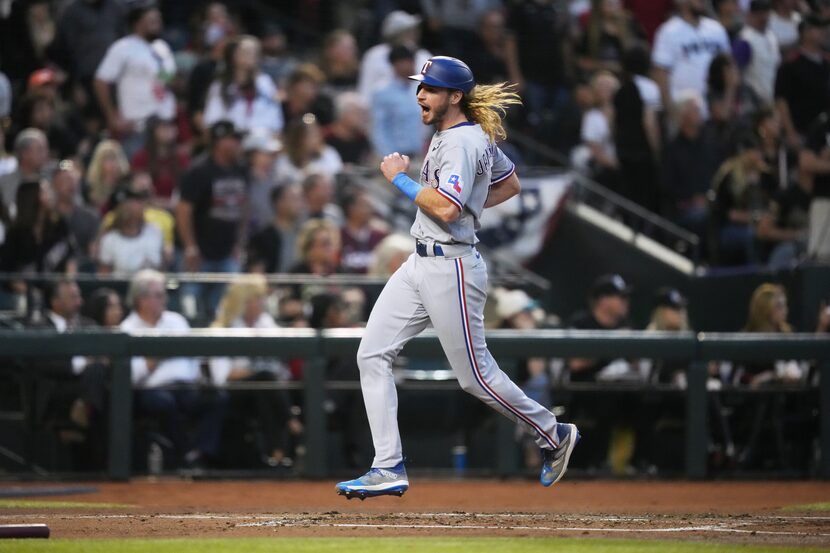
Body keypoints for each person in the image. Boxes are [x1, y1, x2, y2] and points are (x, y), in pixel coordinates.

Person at [335, 56, 579, 500]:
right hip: (419, 261)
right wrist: (469, 203)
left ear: (454, 96)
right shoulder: (461, 135)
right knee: (371, 354)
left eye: (429, 88)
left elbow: (448, 208)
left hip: (452, 266)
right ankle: (387, 465)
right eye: (420, 87)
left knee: (475, 377)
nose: (420, 95)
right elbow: (507, 184)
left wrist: (400, 179)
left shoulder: (463, 143)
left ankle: (553, 431)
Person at [120, 269, 227, 469]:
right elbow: (131, 375)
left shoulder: (176, 320)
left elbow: (194, 358)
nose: (165, 299)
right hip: (152, 390)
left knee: (217, 397)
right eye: (159, 295)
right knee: (163, 403)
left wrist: (199, 378)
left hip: (186, 387)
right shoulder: (127, 328)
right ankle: (184, 453)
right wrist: (157, 356)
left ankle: (200, 453)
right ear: (141, 299)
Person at [209, 274, 301, 468]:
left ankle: (276, 453)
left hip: (266, 392)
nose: (262, 303)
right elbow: (222, 377)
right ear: (244, 302)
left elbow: (282, 360)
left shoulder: (265, 322)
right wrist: (256, 373)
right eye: (257, 298)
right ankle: (291, 423)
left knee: (265, 388)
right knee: (264, 379)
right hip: (233, 394)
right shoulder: (223, 328)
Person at [176, 120, 248, 318]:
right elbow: (184, 210)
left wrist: (239, 242)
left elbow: (244, 207)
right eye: (233, 140)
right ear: (219, 142)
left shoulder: (241, 169)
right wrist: (190, 246)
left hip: (227, 251)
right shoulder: (199, 170)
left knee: (225, 310)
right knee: (190, 308)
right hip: (200, 253)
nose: (237, 145)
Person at [93, 0, 176, 157]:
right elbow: (101, 81)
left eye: (158, 20)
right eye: (152, 21)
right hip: (138, 126)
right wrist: (112, 116)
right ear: (138, 23)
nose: (157, 24)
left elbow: (166, 79)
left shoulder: (162, 47)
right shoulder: (123, 47)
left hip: (165, 126)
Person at [651, 0, 731, 117]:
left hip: (715, 111)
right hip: (683, 112)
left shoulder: (716, 29)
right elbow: (661, 75)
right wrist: (671, 112)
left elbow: (728, 68)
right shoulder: (668, 31)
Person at [203, 35, 284, 134]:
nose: (251, 55)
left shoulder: (265, 82)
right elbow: (212, 119)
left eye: (255, 52)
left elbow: (275, 117)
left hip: (261, 139)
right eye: (246, 51)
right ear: (233, 54)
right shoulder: (220, 85)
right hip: (230, 137)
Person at [371, 45, 426, 161]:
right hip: (395, 155)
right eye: (407, 62)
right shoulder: (383, 92)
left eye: (412, 61)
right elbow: (379, 128)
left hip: (417, 155)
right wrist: (389, 157)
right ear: (396, 65)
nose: (411, 65)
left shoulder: (418, 89)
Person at [97, 184, 165, 274]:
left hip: (151, 285)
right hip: (119, 286)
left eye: (139, 202)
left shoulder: (154, 232)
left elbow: (162, 269)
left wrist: (166, 259)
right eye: (132, 202)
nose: (136, 206)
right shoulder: (110, 239)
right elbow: (104, 274)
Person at [247, 183, 304, 273]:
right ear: (279, 203)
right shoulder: (262, 237)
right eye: (294, 199)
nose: (300, 204)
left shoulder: (303, 234)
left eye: (301, 199)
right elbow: (256, 273)